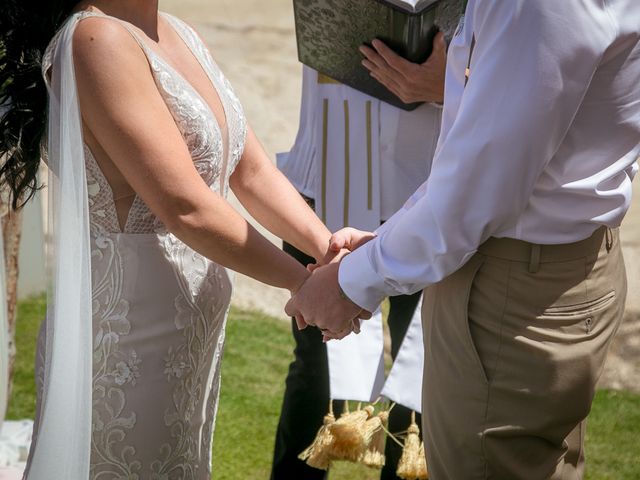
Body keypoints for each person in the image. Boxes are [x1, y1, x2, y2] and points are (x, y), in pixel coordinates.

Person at [287, 0, 640, 478]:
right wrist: (385, 241)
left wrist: (352, 281)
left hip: (512, 281)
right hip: (537, 259)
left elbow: (477, 189)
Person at [0, 1, 341, 478]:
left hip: (187, 346)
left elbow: (252, 170)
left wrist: (331, 251)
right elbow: (186, 207)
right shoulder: (96, 41)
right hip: (127, 348)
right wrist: (305, 285)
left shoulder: (178, 32)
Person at [271, 31, 449, 479]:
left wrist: (446, 84)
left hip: (429, 188)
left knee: (427, 371)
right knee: (315, 364)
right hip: (323, 178)